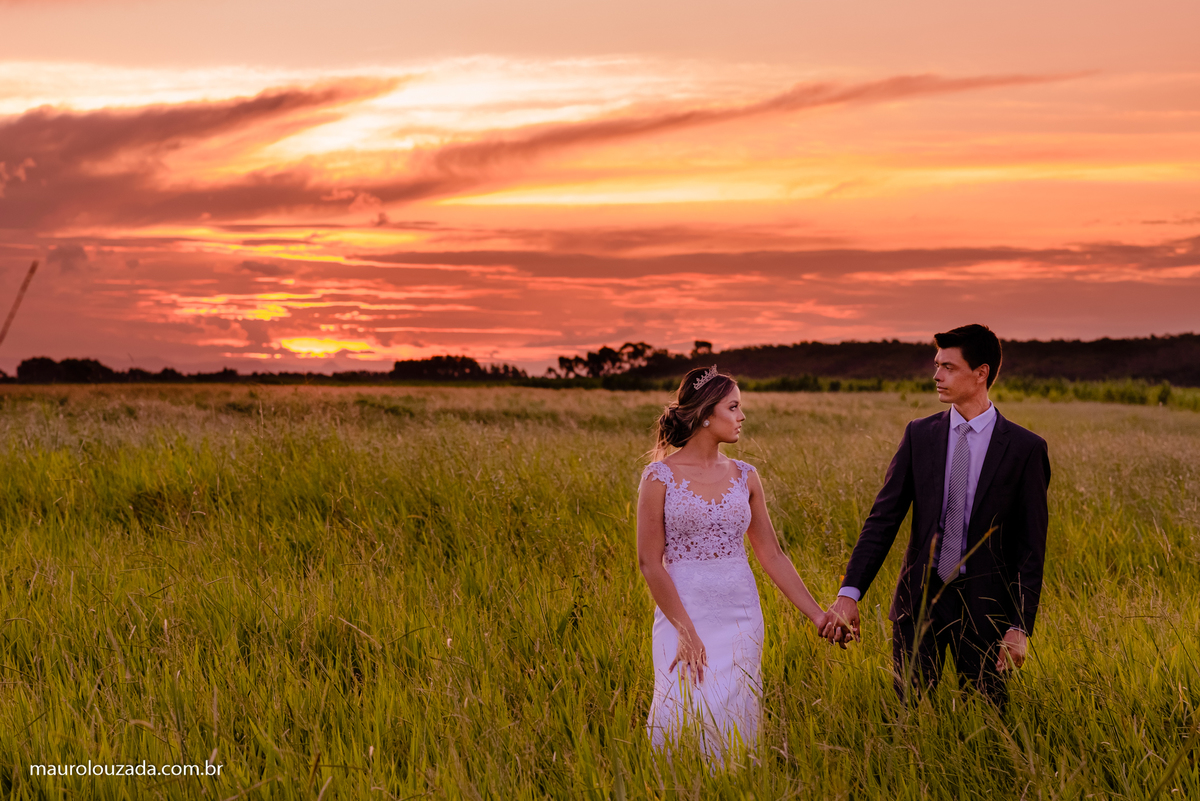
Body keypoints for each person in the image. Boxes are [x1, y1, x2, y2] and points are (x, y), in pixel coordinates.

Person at [821, 324, 1050, 711]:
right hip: (919, 602)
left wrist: (1019, 626)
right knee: (907, 716)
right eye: (936, 364)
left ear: (981, 373)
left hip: (985, 610)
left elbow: (1031, 547)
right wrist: (849, 593)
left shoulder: (1025, 449)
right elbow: (883, 519)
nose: (936, 375)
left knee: (987, 721)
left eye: (949, 367)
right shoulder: (919, 435)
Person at [638, 365, 825, 757]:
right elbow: (649, 563)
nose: (742, 417)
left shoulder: (746, 476)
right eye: (734, 407)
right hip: (683, 613)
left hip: (740, 615)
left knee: (734, 712)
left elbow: (771, 554)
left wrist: (818, 615)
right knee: (682, 711)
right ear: (706, 414)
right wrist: (686, 631)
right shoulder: (659, 477)